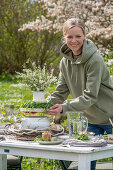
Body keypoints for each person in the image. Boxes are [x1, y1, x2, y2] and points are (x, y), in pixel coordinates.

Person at [46, 18, 113, 170]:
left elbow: (90, 96)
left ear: (85, 36)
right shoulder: (65, 62)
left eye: (78, 36)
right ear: (64, 37)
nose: (74, 40)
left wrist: (64, 107)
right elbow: (61, 91)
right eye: (70, 36)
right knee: (85, 164)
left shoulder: (94, 59)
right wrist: (41, 106)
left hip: (111, 118)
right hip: (90, 120)